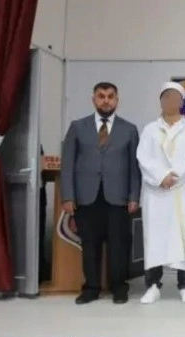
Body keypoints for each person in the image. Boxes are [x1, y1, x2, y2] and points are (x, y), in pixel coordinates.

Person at [60, 82, 141, 305]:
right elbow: (67, 164)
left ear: (117, 100)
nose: (106, 100)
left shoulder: (129, 129)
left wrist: (134, 196)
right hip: (86, 197)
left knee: (118, 245)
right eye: (101, 96)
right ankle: (91, 288)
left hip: (118, 198)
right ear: (93, 99)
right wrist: (68, 196)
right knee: (90, 245)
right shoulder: (78, 127)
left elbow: (134, 168)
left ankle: (119, 287)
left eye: (110, 96)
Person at [136, 82, 185, 304]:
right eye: (167, 97)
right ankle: (153, 285)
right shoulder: (149, 130)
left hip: (181, 191)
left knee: (183, 238)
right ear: (161, 101)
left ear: (182, 102)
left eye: (175, 97)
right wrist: (161, 177)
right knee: (154, 239)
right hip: (155, 192)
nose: (171, 101)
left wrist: (173, 178)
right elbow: (143, 158)